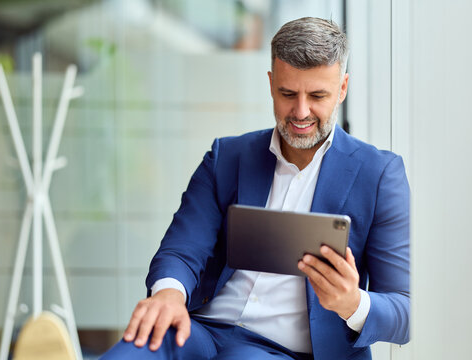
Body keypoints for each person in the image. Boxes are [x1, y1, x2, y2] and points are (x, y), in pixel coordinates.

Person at [101, 17, 409, 360]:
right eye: (288, 94)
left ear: (342, 89)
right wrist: (169, 295)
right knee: (134, 350)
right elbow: (181, 249)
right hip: (202, 330)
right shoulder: (226, 158)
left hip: (287, 351)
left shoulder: (380, 174)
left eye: (318, 95)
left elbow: (404, 311)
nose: (301, 112)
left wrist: (353, 302)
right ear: (271, 83)